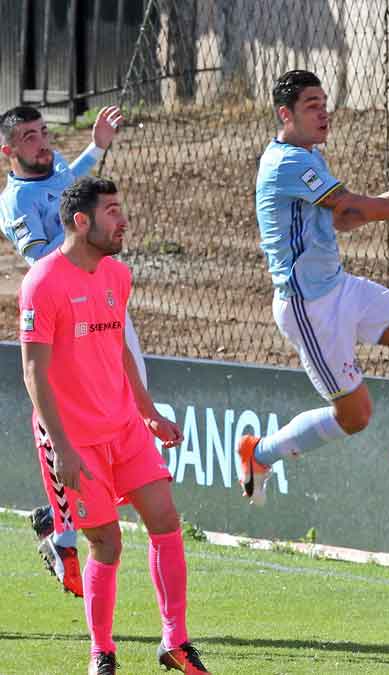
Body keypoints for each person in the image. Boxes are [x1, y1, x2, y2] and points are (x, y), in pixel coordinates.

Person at [238, 70, 389, 503]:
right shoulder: (285, 162)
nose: (324, 113)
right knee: (356, 416)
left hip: (339, 287)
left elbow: (343, 217)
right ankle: (260, 452)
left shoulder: (307, 155)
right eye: (312, 106)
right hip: (309, 308)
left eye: (325, 103)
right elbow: (348, 205)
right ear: (284, 115)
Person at [19, 176, 209, 674]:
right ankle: (101, 652)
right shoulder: (42, 282)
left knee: (166, 520)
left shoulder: (117, 276)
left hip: (124, 427)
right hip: (73, 440)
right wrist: (61, 446)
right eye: (112, 212)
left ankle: (175, 641)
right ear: (82, 222)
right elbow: (33, 369)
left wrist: (147, 412)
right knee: (107, 543)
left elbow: (119, 349)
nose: (122, 221)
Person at [1, 103, 138, 598]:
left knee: (126, 396)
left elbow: (68, 184)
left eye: (42, 131)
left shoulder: (55, 166)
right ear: (9, 150)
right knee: (73, 418)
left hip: (101, 289)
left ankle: (62, 524)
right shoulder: (14, 203)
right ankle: (60, 529)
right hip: (66, 314)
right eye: (29, 136)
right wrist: (84, 245)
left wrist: (97, 146)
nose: (42, 141)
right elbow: (44, 260)